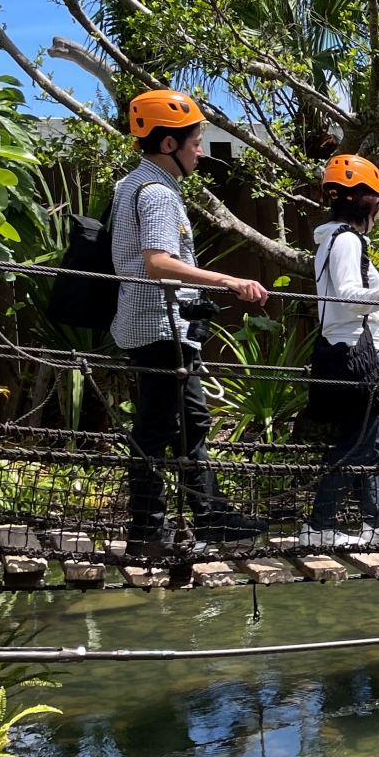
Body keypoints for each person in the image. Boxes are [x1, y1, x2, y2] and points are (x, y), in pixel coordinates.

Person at [110, 89, 269, 558]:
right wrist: (227, 279)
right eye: (195, 142)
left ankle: (210, 514)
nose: (200, 150)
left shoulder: (130, 184)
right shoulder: (157, 192)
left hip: (154, 325)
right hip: (159, 327)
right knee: (158, 428)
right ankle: (146, 530)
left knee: (190, 422)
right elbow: (158, 262)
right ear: (167, 145)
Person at [302, 153, 379, 548]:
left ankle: (377, 522)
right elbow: (350, 295)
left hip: (353, 349)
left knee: (371, 440)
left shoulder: (335, 239)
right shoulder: (347, 240)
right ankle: (319, 527)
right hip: (358, 352)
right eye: (378, 201)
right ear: (364, 201)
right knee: (358, 442)